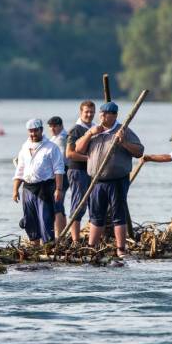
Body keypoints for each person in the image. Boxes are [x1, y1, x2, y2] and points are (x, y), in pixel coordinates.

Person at [74, 102, 143, 256]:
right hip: (97, 181)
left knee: (118, 214)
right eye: (101, 113)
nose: (102, 116)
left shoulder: (123, 131)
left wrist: (123, 142)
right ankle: (92, 247)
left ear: (115, 115)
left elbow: (139, 151)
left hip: (117, 180)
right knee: (96, 215)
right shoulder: (95, 131)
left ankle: (121, 249)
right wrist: (89, 134)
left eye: (107, 114)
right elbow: (78, 149)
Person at [12, 118, 65, 245]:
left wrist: (58, 189)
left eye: (35, 131)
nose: (33, 134)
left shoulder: (51, 148)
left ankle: (48, 246)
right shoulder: (24, 147)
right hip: (28, 188)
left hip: (45, 188)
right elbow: (20, 170)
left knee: (45, 220)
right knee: (30, 221)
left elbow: (59, 169)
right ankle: (34, 247)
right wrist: (15, 190)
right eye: (30, 131)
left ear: (41, 130)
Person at [65, 100, 95, 243]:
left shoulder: (95, 128)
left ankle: (93, 237)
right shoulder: (75, 130)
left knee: (93, 204)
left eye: (91, 112)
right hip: (77, 171)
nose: (89, 114)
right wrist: (90, 159)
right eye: (86, 112)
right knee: (78, 204)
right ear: (81, 113)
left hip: (91, 172)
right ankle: (76, 240)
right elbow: (69, 154)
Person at [47, 116, 69, 236]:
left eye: (54, 126)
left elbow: (60, 158)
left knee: (57, 204)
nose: (52, 129)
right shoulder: (55, 138)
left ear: (61, 126)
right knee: (58, 204)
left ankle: (59, 235)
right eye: (50, 127)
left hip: (62, 173)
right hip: (60, 173)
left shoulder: (61, 138)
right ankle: (61, 233)